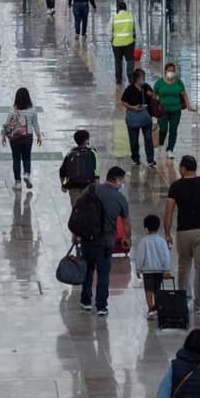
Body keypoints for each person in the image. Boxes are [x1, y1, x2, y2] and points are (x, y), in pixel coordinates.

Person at [163, 155, 200, 311]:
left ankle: (183, 299)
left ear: (183, 168)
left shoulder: (175, 186)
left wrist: (167, 233)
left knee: (184, 265)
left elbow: (169, 211)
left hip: (183, 231)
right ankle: (199, 304)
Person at [77, 167, 131, 315]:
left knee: (88, 269)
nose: (122, 184)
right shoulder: (120, 198)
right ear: (116, 179)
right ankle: (101, 305)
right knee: (103, 272)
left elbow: (78, 209)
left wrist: (75, 233)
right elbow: (126, 223)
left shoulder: (91, 189)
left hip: (88, 238)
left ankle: (86, 301)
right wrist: (127, 239)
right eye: (122, 181)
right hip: (106, 241)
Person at [1, 87, 43, 190]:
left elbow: (7, 124)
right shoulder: (32, 110)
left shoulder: (12, 110)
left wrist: (3, 136)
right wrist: (38, 135)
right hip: (28, 136)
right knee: (27, 157)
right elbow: (35, 124)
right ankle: (27, 174)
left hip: (15, 138)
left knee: (16, 159)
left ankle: (18, 183)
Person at [132, 215, 172, 319]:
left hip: (147, 271)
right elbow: (166, 256)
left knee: (148, 290)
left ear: (146, 228)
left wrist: (138, 269)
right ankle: (157, 307)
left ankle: (150, 309)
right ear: (159, 227)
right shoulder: (162, 241)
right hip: (159, 270)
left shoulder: (143, 241)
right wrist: (166, 269)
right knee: (157, 289)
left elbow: (140, 256)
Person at [153, 63, 195, 158]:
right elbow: (154, 96)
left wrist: (188, 105)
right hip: (162, 111)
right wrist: (154, 109)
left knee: (173, 130)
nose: (171, 73)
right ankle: (160, 144)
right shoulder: (159, 83)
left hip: (176, 110)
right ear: (165, 71)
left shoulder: (179, 82)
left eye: (173, 71)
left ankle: (170, 149)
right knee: (163, 129)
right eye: (169, 70)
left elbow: (184, 94)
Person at [120, 69, 157, 167]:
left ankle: (150, 159)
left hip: (145, 117)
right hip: (133, 117)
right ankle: (135, 158)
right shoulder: (130, 89)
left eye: (144, 77)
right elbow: (123, 101)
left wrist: (152, 95)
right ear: (136, 78)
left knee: (148, 138)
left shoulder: (146, 87)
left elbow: (154, 97)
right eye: (141, 77)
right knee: (134, 139)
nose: (143, 79)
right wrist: (133, 107)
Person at [59, 129, 99, 207]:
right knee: (88, 208)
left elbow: (62, 171)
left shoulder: (70, 153)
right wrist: (97, 185)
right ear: (86, 140)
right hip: (88, 186)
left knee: (76, 208)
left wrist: (64, 185)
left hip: (73, 186)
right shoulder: (92, 152)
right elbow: (96, 170)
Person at [109, 2, 136, 85]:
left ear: (118, 9)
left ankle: (118, 79)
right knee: (130, 59)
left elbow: (109, 31)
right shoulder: (131, 16)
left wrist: (111, 40)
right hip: (129, 43)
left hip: (117, 44)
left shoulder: (113, 18)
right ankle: (130, 77)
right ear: (126, 8)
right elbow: (136, 30)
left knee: (118, 61)